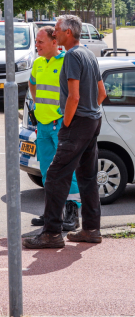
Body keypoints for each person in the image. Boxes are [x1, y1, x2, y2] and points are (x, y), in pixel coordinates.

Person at [23, 15, 107, 249]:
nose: (55, 33)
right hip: (92, 121)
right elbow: (102, 93)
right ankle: (91, 229)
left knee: (55, 176)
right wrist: (91, 113)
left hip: (77, 123)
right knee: (87, 177)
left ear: (68, 33)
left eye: (58, 30)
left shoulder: (71, 56)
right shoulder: (89, 54)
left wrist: (67, 123)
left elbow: (74, 96)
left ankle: (51, 233)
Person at [28, 27, 80, 231]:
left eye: (41, 41)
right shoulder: (38, 63)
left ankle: (73, 213)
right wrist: (37, 105)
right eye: (37, 42)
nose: (37, 45)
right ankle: (52, 213)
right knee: (46, 171)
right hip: (42, 125)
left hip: (60, 125)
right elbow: (32, 84)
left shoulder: (67, 61)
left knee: (68, 171)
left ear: (53, 42)